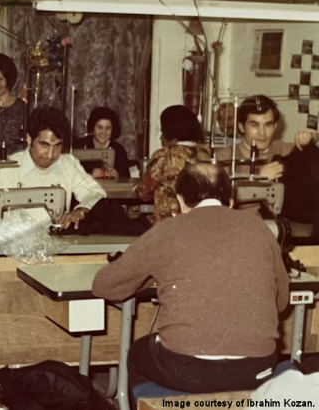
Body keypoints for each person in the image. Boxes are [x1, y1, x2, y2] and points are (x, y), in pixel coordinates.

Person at [93, 163, 289, 404]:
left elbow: (104, 286)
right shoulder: (261, 230)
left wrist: (156, 277)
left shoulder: (166, 231)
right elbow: (281, 302)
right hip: (258, 369)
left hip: (187, 370)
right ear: (229, 201)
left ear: (181, 200)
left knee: (136, 354)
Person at [0, 107, 106, 230]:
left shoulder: (67, 164)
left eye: (57, 146)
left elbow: (96, 193)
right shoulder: (4, 169)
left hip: (57, 243)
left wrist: (80, 211)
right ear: (29, 138)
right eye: (44, 145)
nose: (50, 155)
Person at [136, 105, 210, 224]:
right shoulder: (204, 154)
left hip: (167, 225)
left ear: (170, 131)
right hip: (199, 222)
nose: (161, 137)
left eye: (162, 130)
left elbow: (143, 193)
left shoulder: (164, 155)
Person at [215, 95, 317, 180]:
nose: (262, 133)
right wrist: (259, 180)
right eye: (254, 125)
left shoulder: (282, 149)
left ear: (275, 127)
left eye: (268, 125)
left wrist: (313, 137)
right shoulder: (226, 159)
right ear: (241, 127)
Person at [72, 106, 130, 178]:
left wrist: (118, 175)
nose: (103, 132)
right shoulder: (79, 145)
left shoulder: (119, 150)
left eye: (108, 128)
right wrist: (89, 176)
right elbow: (70, 175)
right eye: (100, 127)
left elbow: (126, 178)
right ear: (93, 127)